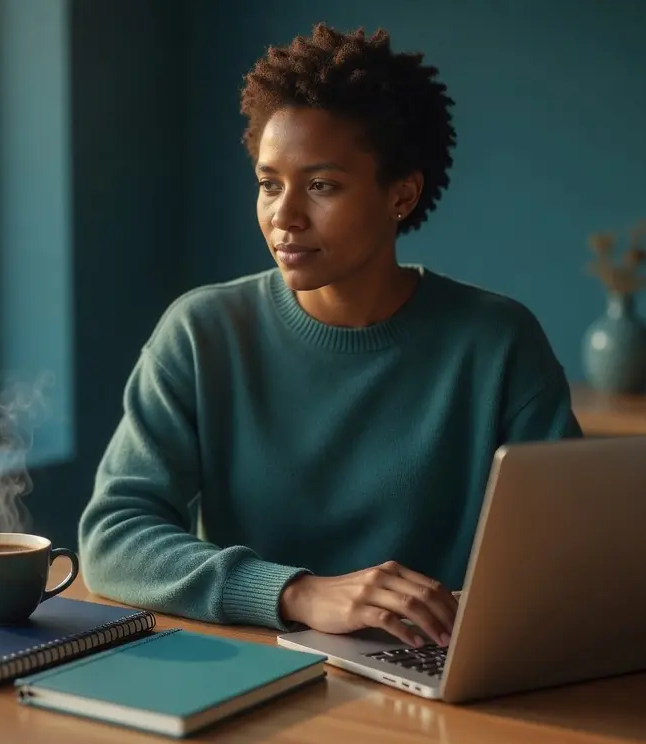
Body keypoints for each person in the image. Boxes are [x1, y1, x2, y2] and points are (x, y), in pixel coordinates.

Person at [77, 23, 582, 649]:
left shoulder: (499, 343)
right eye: (269, 184)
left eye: (321, 186)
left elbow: (570, 551)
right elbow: (114, 538)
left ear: (402, 195)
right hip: (256, 667)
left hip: (430, 666)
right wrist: (298, 592)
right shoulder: (203, 333)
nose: (284, 216)